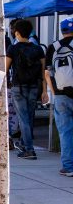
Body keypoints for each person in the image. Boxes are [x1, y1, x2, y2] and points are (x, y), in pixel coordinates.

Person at [6, 20, 48, 160]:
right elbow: (43, 71)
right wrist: (44, 91)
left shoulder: (13, 48)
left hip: (18, 86)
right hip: (34, 86)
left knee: (23, 118)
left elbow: (5, 68)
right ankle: (25, 144)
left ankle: (29, 150)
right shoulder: (38, 49)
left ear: (17, 33)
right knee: (29, 117)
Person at [44, 17, 73, 177]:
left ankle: (68, 167)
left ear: (62, 31)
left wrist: (54, 93)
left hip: (60, 95)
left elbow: (47, 73)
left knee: (65, 132)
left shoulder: (53, 47)